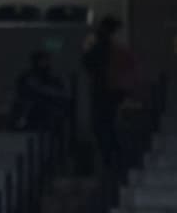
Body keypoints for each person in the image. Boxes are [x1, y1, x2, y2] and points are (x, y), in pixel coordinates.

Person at [81, 15, 134, 170]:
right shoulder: (112, 47)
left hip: (104, 92)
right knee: (108, 127)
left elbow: (87, 63)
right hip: (111, 92)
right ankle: (113, 158)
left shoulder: (102, 46)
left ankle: (112, 159)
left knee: (104, 127)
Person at [13, 51, 70, 131]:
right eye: (42, 61)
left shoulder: (52, 78)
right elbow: (23, 92)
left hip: (48, 110)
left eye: (46, 60)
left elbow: (59, 92)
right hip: (32, 109)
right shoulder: (27, 77)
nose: (45, 63)